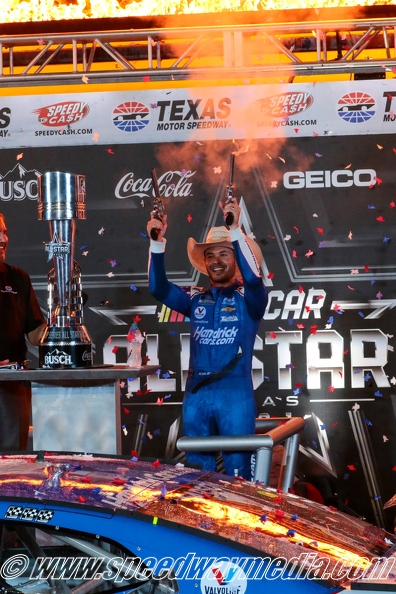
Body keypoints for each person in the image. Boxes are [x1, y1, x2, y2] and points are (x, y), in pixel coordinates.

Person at [147, 197, 268, 479]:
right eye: (210, 255)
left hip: (234, 395)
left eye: (224, 254)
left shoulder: (250, 299)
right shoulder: (195, 298)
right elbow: (159, 288)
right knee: (197, 481)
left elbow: (252, 280)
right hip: (196, 396)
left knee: (240, 481)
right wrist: (156, 242)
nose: (215, 261)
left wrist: (235, 229)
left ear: (237, 260)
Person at [0, 213, 46, 451]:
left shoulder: (18, 278)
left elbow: (35, 334)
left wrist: (58, 322)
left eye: (5, 232)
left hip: (12, 386)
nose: (3, 239)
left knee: (11, 462)